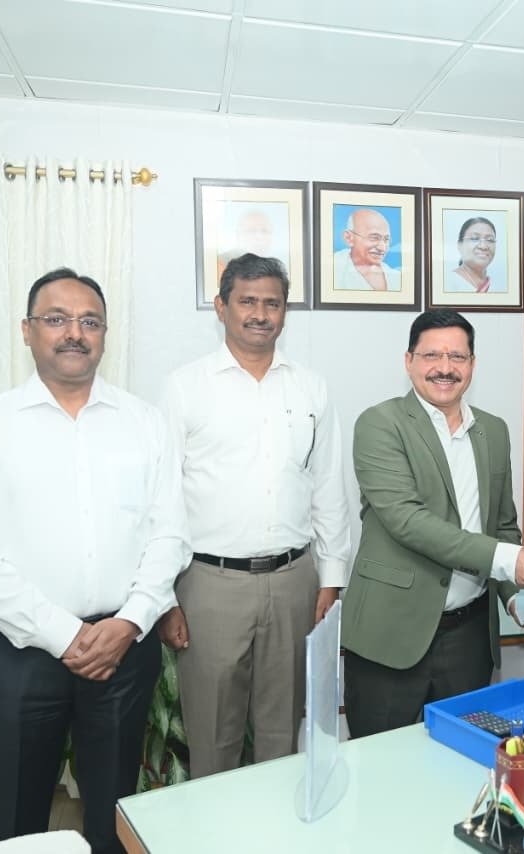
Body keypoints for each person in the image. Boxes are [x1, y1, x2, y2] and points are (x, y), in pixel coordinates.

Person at [0, 268, 188, 854]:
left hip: (123, 647)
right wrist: (66, 635)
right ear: (27, 331)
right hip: (20, 652)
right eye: (56, 319)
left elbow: (170, 535)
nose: (74, 332)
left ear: (105, 334)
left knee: (113, 812)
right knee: (16, 812)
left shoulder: (145, 423)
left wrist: (129, 622)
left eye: (89, 321)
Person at [157, 253, 351, 777]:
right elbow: (162, 498)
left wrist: (331, 579)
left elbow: (328, 487)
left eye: (273, 303)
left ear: (285, 312)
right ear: (221, 307)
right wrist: (165, 598)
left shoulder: (310, 387)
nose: (260, 314)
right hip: (210, 584)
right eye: (247, 301)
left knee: (282, 733)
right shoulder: (185, 387)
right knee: (213, 737)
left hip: (294, 581)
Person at [341, 309, 524, 737]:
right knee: (378, 761)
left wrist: (515, 598)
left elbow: (503, 525)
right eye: (431, 356)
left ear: (472, 364)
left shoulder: (493, 430)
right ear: (409, 361)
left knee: (465, 756)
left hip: (469, 637)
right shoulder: (380, 423)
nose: (445, 367)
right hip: (391, 634)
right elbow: (407, 520)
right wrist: (508, 560)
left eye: (457, 356)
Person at [334, 207, 401, 291]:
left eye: (386, 239)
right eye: (374, 238)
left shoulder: (397, 278)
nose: (382, 248)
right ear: (349, 238)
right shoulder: (333, 269)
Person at [446, 216, 502, 293]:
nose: (483, 246)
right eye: (474, 238)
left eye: (490, 240)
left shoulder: (500, 287)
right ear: (460, 245)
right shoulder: (447, 282)